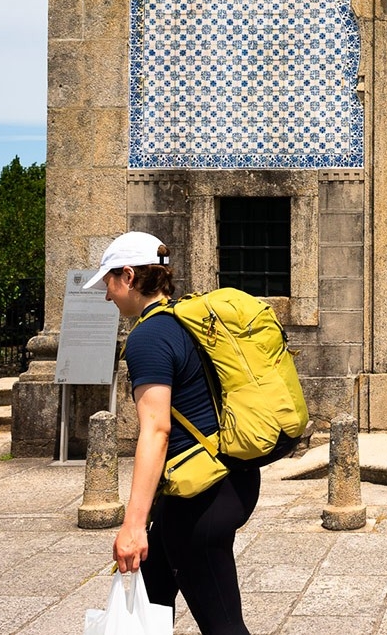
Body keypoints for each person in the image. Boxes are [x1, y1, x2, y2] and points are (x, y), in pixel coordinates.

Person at [83, 231, 257, 635]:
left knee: (225, 628)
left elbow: (157, 430)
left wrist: (131, 524)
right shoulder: (185, 321)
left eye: (108, 282)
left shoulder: (148, 336)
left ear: (127, 276)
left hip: (201, 501)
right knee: (148, 595)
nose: (107, 296)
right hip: (221, 481)